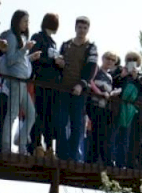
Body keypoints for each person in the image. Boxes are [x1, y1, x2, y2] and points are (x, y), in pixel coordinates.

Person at [52, 16, 96, 161]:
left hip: (79, 90)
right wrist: (59, 62)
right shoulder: (65, 45)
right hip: (63, 88)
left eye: (85, 28)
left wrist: (81, 84)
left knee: (77, 124)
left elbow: (91, 69)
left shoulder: (91, 47)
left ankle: (72, 155)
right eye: (79, 27)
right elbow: (59, 61)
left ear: (88, 29)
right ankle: (61, 153)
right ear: (75, 28)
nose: (82, 30)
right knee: (60, 121)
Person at [0, 10, 35, 154]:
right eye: (25, 21)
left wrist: (30, 57)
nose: (27, 24)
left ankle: (22, 144)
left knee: (31, 114)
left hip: (22, 81)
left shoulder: (20, 37)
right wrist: (25, 49)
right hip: (16, 80)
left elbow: (19, 60)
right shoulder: (12, 37)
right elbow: (11, 60)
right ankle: (7, 146)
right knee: (12, 113)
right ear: (17, 21)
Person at [29, 13, 60, 154]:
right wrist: (52, 61)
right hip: (41, 80)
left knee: (50, 115)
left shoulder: (53, 42)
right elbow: (36, 58)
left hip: (53, 83)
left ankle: (48, 146)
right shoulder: (37, 37)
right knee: (39, 113)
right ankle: (36, 144)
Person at [111, 53, 140, 168]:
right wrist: (122, 76)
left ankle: (121, 162)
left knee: (125, 138)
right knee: (114, 135)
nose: (132, 61)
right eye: (129, 60)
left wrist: (135, 78)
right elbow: (112, 83)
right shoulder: (119, 71)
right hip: (117, 108)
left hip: (129, 111)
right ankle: (111, 159)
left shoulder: (139, 75)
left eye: (134, 60)